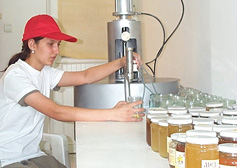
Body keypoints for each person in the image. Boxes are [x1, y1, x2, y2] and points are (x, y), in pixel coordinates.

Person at [0, 14, 145, 168]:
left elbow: (85, 76)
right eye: (51, 44)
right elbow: (56, 112)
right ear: (32, 44)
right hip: (7, 158)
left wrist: (121, 62)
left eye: (58, 44)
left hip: (33, 154)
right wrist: (113, 114)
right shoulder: (16, 75)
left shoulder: (46, 72)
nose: (56, 51)